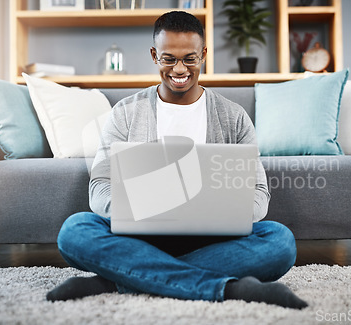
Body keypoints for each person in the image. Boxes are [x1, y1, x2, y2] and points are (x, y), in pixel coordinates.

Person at [46, 11, 307, 309]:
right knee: (75, 230)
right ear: (154, 56)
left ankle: (116, 281)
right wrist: (143, 210)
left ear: (204, 55)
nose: (180, 69)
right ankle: (231, 290)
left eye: (190, 58)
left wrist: (221, 213)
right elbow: (100, 186)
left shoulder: (234, 117)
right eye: (169, 59)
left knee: (280, 241)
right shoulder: (125, 113)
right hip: (141, 238)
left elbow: (259, 192)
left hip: (214, 240)